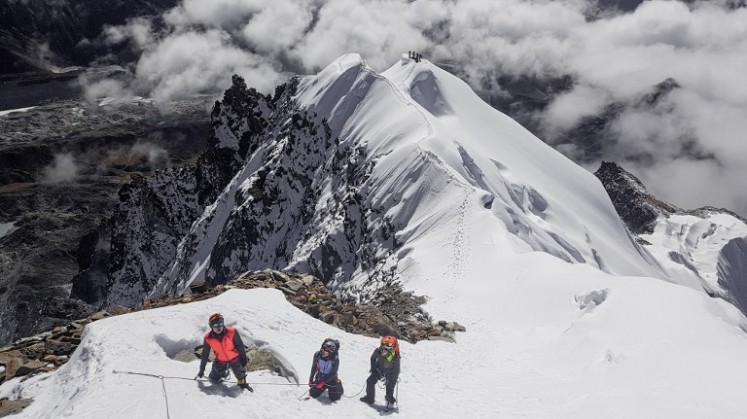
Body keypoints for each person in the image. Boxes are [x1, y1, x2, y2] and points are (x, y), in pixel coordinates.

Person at [197, 313, 253, 391]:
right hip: (220, 360)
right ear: (211, 326)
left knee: (240, 372)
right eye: (215, 325)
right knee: (214, 379)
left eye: (220, 323)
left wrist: (243, 358)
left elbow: (240, 345)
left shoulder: (232, 331)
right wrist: (201, 370)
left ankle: (242, 383)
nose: (219, 327)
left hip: (234, 358)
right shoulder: (208, 338)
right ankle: (223, 373)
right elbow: (205, 355)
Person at [360, 335, 400, 405]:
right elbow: (373, 359)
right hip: (379, 371)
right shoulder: (378, 351)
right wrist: (374, 369)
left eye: (390, 345)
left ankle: (389, 399)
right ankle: (370, 398)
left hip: (390, 374)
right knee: (370, 381)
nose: (387, 347)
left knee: (389, 388)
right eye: (386, 345)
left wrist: (390, 380)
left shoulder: (395, 357)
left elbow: (396, 371)